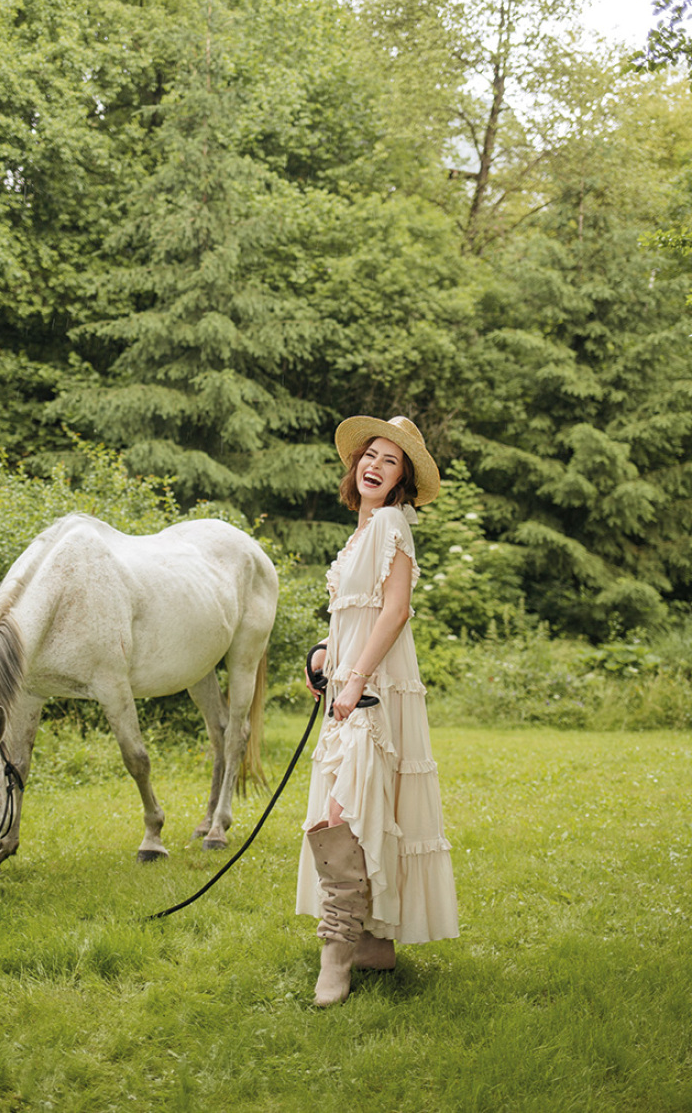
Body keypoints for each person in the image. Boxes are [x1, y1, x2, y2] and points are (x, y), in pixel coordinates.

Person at [296, 414, 459, 1007]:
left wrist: (355, 677)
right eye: (370, 455)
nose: (374, 466)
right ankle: (371, 942)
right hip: (349, 679)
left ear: (401, 479)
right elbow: (355, 613)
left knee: (340, 812)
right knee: (358, 804)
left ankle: (336, 956)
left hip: (374, 688)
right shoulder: (363, 530)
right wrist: (324, 653)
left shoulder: (391, 522)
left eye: (390, 461)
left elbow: (394, 612)